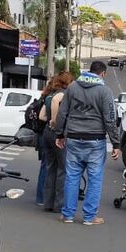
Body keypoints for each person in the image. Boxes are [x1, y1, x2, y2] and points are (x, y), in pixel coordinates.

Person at [55, 61, 121, 225]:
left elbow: (63, 112)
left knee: (71, 177)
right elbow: (110, 119)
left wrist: (59, 134)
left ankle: (67, 215)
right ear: (103, 74)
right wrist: (116, 143)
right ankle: (89, 217)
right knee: (94, 179)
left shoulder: (72, 87)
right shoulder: (105, 91)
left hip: (74, 138)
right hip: (95, 140)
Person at [40, 71, 74, 212]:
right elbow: (56, 103)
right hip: (57, 134)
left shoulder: (49, 95)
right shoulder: (62, 94)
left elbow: (42, 116)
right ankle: (59, 205)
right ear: (67, 82)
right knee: (62, 169)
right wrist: (56, 122)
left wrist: (50, 121)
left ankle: (48, 202)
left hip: (46, 133)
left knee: (51, 168)